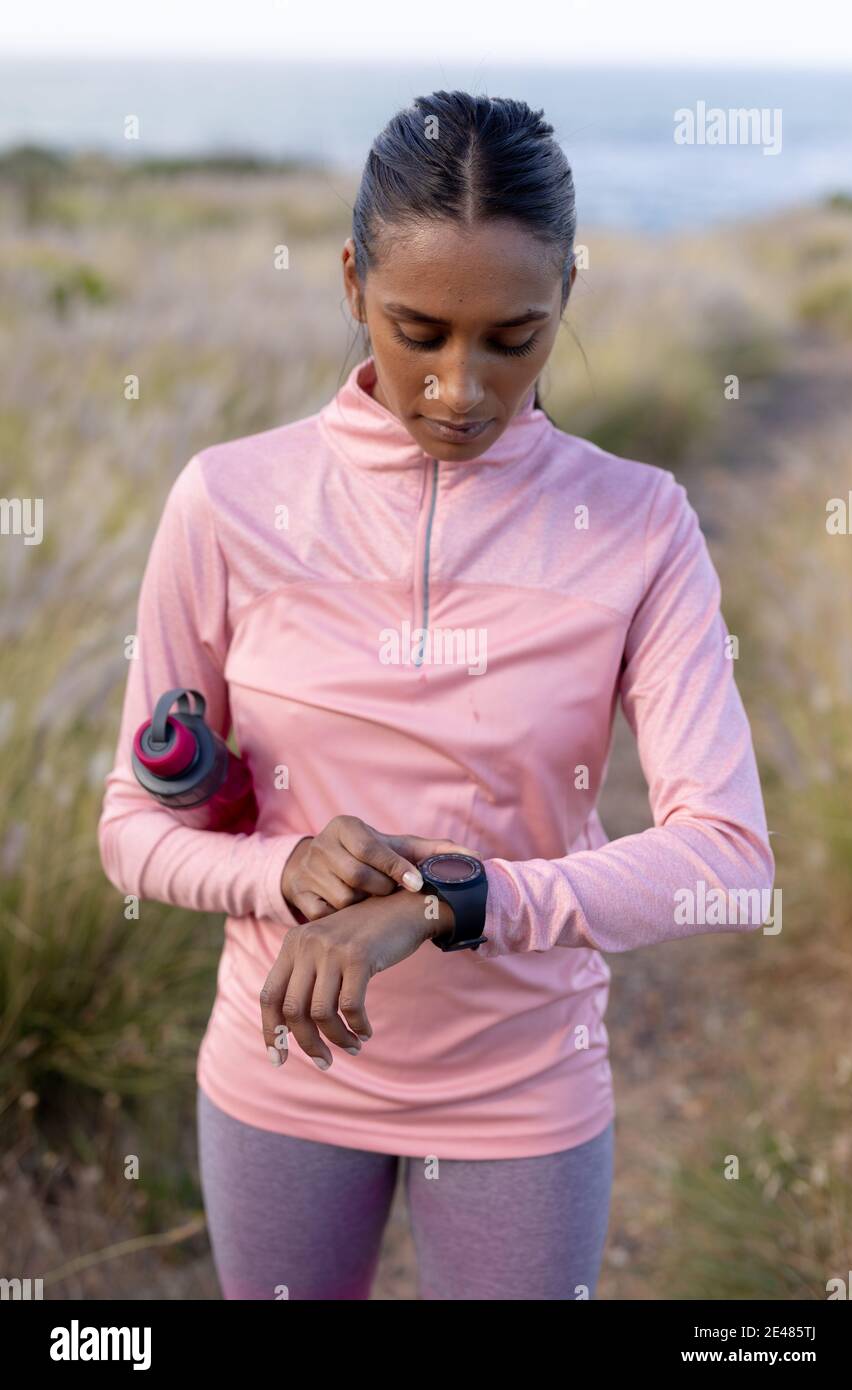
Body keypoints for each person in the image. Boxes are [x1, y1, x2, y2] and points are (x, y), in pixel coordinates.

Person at [97, 89, 774, 1301]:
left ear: (566, 297)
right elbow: (130, 828)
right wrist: (280, 869)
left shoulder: (638, 523)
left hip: (523, 1087)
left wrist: (460, 900)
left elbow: (726, 858)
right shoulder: (228, 500)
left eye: (510, 339)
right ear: (352, 282)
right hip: (278, 1070)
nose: (458, 387)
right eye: (420, 330)